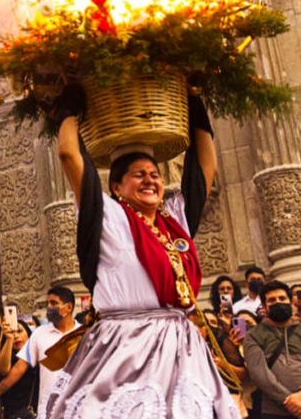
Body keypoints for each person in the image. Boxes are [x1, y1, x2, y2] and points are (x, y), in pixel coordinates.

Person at [50, 89, 237, 417]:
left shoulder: (174, 221)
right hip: (126, 347)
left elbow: (205, 167)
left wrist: (196, 108)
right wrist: (68, 111)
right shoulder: (108, 217)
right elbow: (69, 156)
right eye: (139, 175)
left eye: (155, 175)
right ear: (117, 187)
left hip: (182, 346)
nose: (150, 180)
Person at [0, 287, 75, 415]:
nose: (49, 308)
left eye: (54, 303)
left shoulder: (84, 335)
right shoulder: (39, 335)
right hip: (47, 412)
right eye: (47, 304)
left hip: (76, 409)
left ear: (69, 307)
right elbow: (15, 372)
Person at [244, 281, 301, 419]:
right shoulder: (253, 336)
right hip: (274, 412)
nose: (278, 302)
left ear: (291, 302)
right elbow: (260, 375)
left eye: (282, 298)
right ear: (265, 307)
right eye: (272, 300)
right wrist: (292, 402)